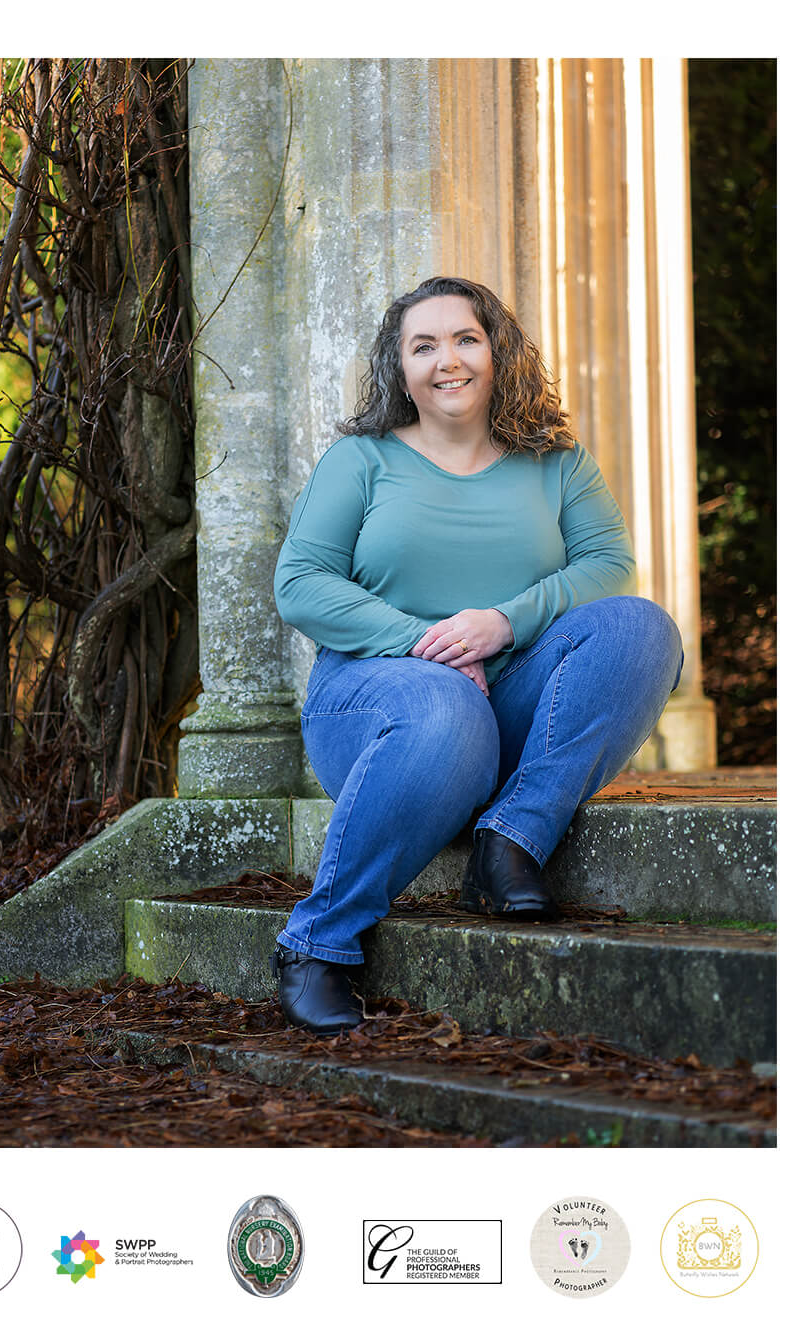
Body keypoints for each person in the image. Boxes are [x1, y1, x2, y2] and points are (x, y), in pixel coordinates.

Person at [270, 276, 683, 1036]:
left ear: (497, 351)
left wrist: (503, 621)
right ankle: (317, 943)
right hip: (376, 702)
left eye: (465, 338)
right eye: (422, 345)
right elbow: (300, 583)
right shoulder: (360, 461)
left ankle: (509, 842)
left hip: (512, 693)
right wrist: (425, 646)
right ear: (400, 369)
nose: (447, 360)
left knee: (641, 628)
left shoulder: (555, 461)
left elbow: (606, 565)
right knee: (444, 702)